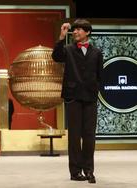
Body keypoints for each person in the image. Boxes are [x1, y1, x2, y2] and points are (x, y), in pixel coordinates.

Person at [52, 19, 103, 184]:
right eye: (74, 30)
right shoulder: (67, 49)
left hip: (90, 97)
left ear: (87, 32)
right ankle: (75, 171)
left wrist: (95, 89)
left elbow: (100, 75)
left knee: (89, 136)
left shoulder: (97, 52)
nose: (75, 32)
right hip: (73, 97)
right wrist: (61, 36)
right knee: (74, 136)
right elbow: (56, 56)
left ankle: (89, 170)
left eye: (79, 30)